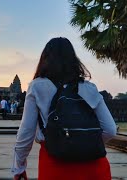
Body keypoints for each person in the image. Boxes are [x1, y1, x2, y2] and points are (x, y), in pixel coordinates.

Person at [11, 37, 117, 180]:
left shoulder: (37, 86)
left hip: (55, 164)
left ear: (45, 59)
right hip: (94, 167)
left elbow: (26, 132)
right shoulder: (89, 88)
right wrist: (83, 143)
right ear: (74, 59)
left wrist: (19, 166)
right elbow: (110, 129)